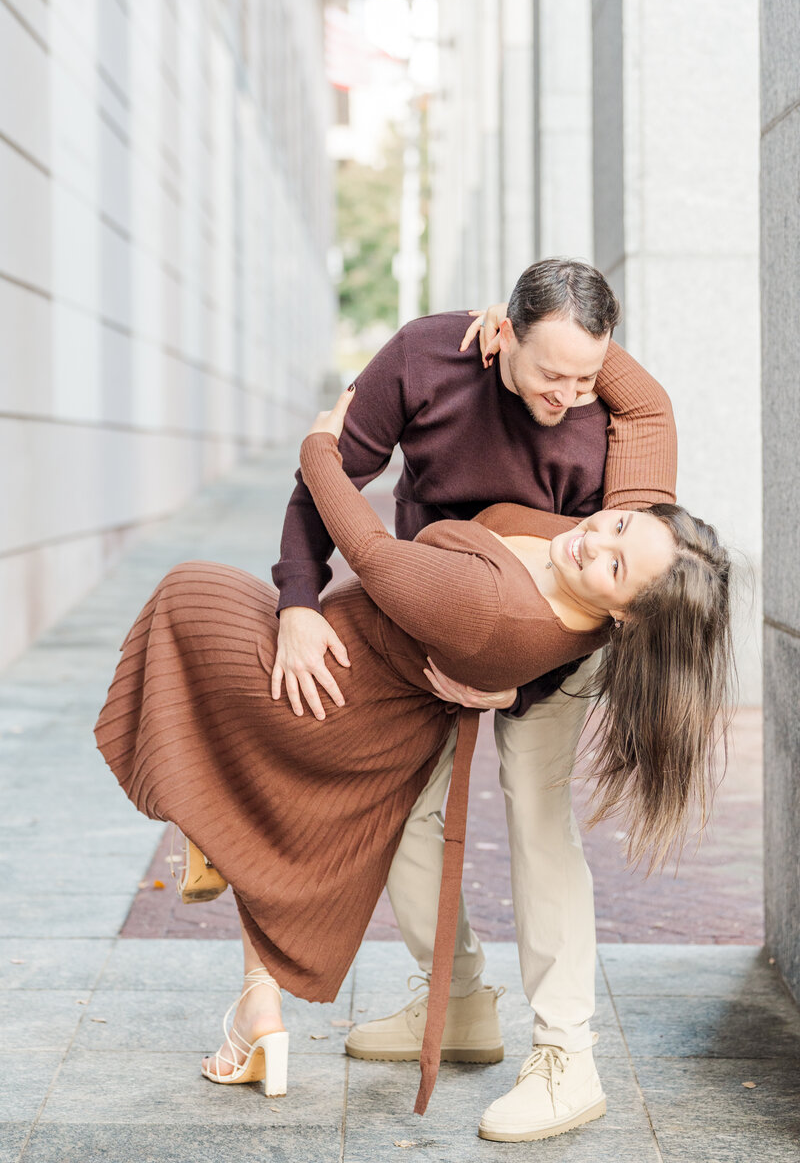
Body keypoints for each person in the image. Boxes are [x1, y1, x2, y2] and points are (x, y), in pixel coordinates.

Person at [94, 385, 733, 1133]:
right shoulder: (637, 532)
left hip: (384, 674)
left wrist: (316, 448)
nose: (594, 539)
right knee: (380, 806)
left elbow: (368, 552)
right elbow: (649, 404)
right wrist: (546, 329)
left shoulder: (506, 601)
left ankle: (568, 1059)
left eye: (615, 565)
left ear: (626, 614)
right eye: (615, 524)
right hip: (400, 681)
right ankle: (449, 997)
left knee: (193, 610)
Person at [269, 258, 680, 1139]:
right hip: (432, 614)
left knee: (536, 818)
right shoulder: (425, 355)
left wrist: (515, 671)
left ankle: (568, 1056)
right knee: (410, 810)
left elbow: (627, 587)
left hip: (559, 641)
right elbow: (333, 472)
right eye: (552, 374)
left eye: (588, 374)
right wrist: (299, 601)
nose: (570, 395)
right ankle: (454, 1001)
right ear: (501, 335)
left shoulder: (613, 407)